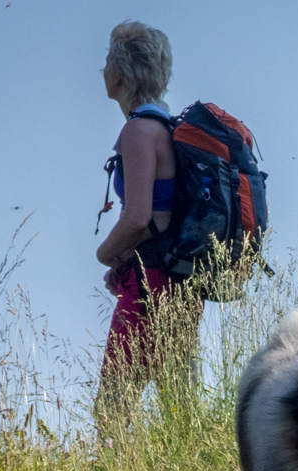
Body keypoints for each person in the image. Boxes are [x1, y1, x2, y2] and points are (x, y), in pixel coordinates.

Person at [95, 21, 201, 412]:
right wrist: (124, 258)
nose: (102, 70)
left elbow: (138, 217)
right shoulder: (170, 129)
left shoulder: (139, 131)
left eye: (106, 62)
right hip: (180, 280)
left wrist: (106, 255)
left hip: (150, 282)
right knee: (181, 409)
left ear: (120, 75)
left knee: (112, 408)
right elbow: (163, 215)